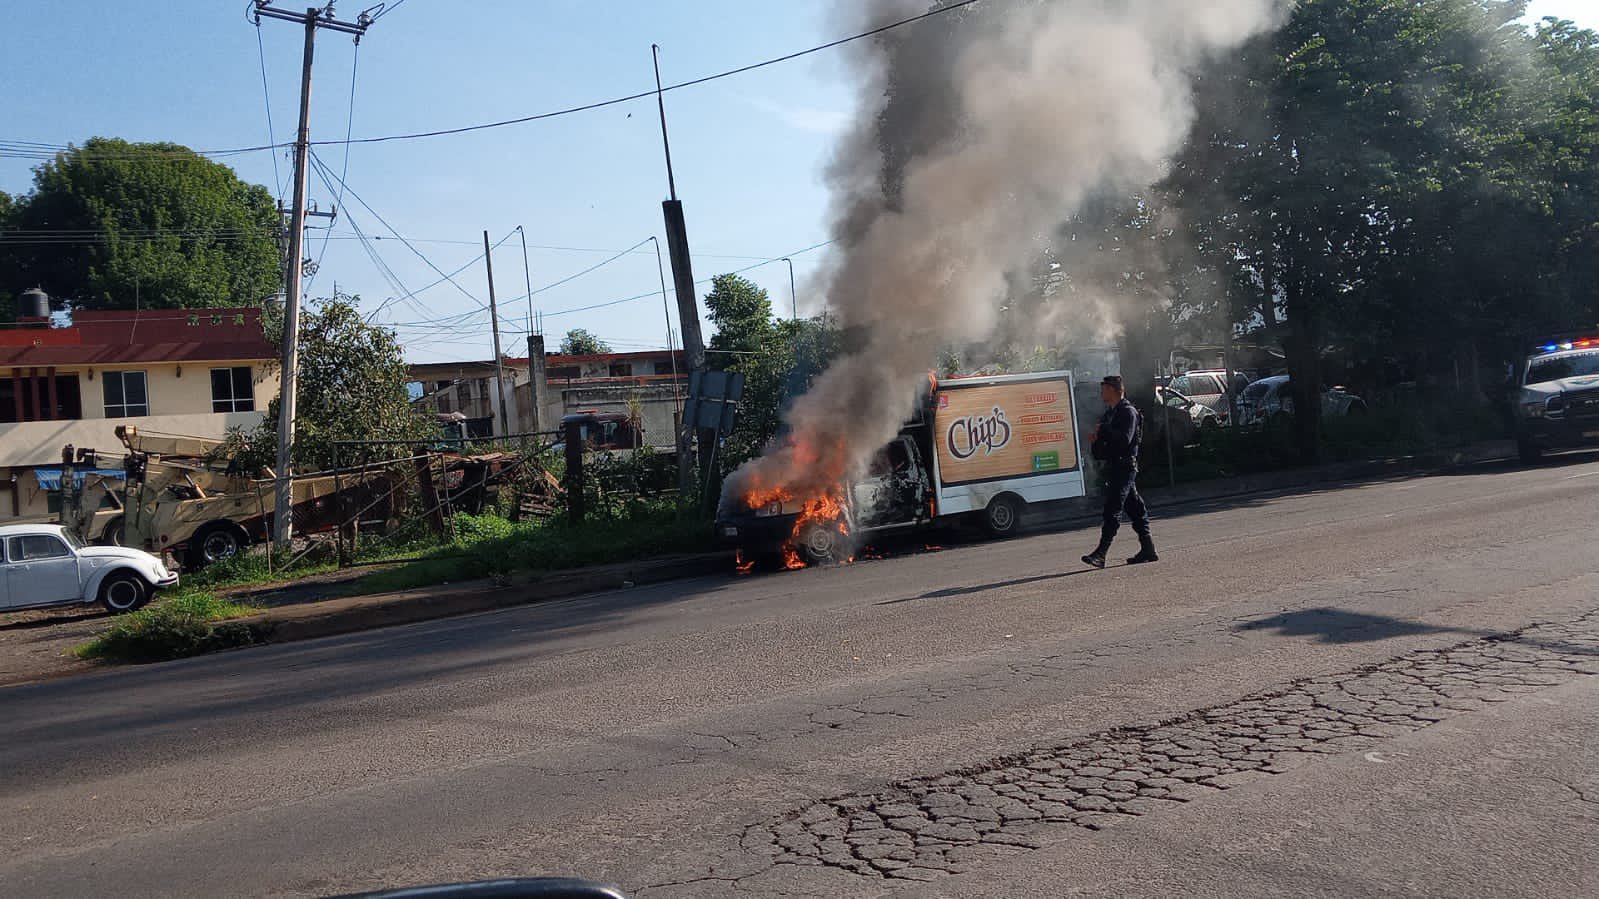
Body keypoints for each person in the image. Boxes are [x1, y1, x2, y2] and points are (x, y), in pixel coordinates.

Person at [1083, 375, 1159, 568]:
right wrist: (1096, 440)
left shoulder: (1127, 413)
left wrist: (1105, 431)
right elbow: (1103, 447)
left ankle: (1101, 554)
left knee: (1113, 509)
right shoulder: (1110, 413)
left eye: (1104, 389)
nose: (1101, 393)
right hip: (1115, 466)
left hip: (1125, 466)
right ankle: (1148, 549)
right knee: (1136, 508)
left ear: (1114, 390)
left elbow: (1124, 440)